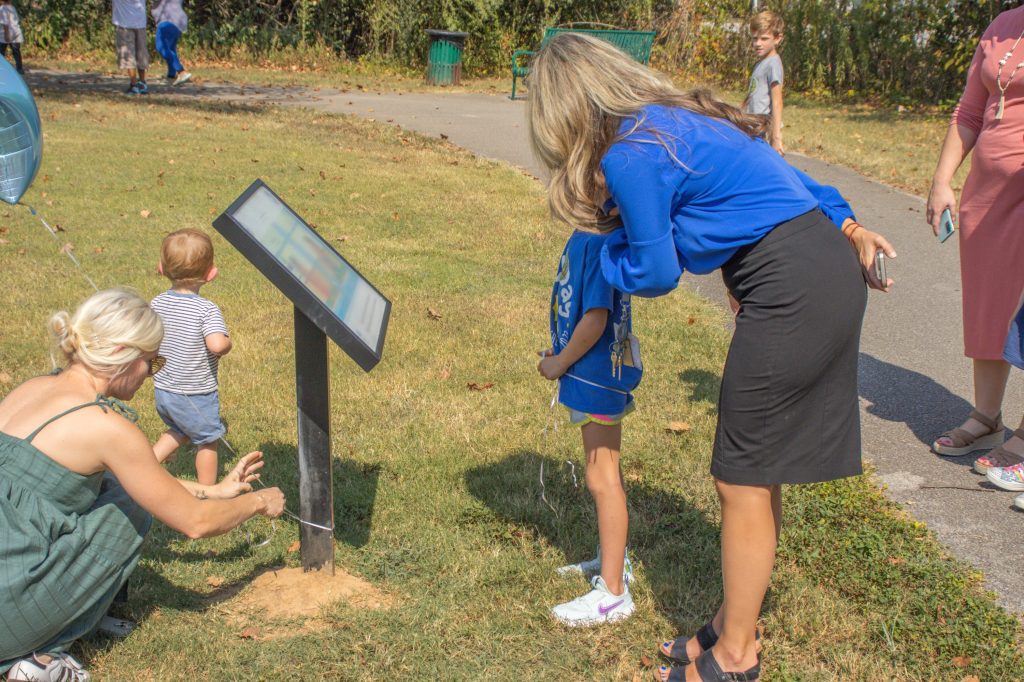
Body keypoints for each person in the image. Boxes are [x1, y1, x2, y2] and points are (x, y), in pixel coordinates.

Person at [527, 34, 893, 681]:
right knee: (759, 468)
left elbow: (656, 268)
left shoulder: (629, 152)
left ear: (567, 116)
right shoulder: (673, 122)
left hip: (790, 285)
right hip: (813, 266)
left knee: (740, 474)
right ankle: (732, 623)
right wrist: (850, 226)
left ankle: (734, 658)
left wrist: (601, 250)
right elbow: (793, 178)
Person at [0, 288, 284, 681]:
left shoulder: (29, 391)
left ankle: (60, 615)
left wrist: (215, 490)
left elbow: (143, 481)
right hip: (8, 608)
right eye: (152, 363)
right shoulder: (106, 426)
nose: (153, 375)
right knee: (128, 511)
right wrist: (261, 502)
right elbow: (194, 523)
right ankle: (41, 658)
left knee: (121, 494)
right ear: (124, 355)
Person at [927, 5, 1024, 478]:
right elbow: (969, 110)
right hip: (987, 192)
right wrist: (943, 180)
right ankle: (987, 418)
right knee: (989, 303)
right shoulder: (1002, 26)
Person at [538, 226, 642, 627]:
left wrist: (561, 363)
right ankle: (611, 557)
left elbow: (596, 319)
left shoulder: (599, 242)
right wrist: (562, 351)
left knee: (603, 480)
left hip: (598, 379)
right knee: (604, 475)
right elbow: (575, 306)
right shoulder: (588, 235)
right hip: (591, 372)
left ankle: (614, 592)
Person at [150, 229, 232, 485]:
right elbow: (217, 345)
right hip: (196, 393)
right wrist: (228, 343)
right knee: (207, 440)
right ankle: (207, 492)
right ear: (211, 274)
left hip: (163, 389)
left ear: (161, 269)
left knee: (180, 429)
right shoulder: (206, 309)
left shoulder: (156, 303)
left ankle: (145, 467)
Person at [742, 11, 785, 155]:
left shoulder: (773, 63)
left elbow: (777, 101)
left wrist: (776, 136)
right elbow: (753, 94)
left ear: (778, 39)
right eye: (755, 39)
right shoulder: (760, 63)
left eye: (764, 39)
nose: (757, 44)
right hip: (751, 123)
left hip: (762, 127)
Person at [112, 0, 149, 95]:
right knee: (142, 54)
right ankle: (142, 82)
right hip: (141, 23)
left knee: (129, 56)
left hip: (125, 25)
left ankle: (133, 84)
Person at [152, 0, 191, 85]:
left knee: (161, 47)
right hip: (179, 21)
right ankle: (171, 76)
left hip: (167, 20)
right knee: (170, 49)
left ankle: (181, 71)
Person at [0, 0, 24, 75]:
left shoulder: (2, 8)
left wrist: (7, 35)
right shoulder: (12, 7)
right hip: (16, 32)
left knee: (1, 52)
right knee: (16, 52)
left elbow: (6, 23)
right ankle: (19, 69)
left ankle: (1, 68)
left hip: (6, 34)